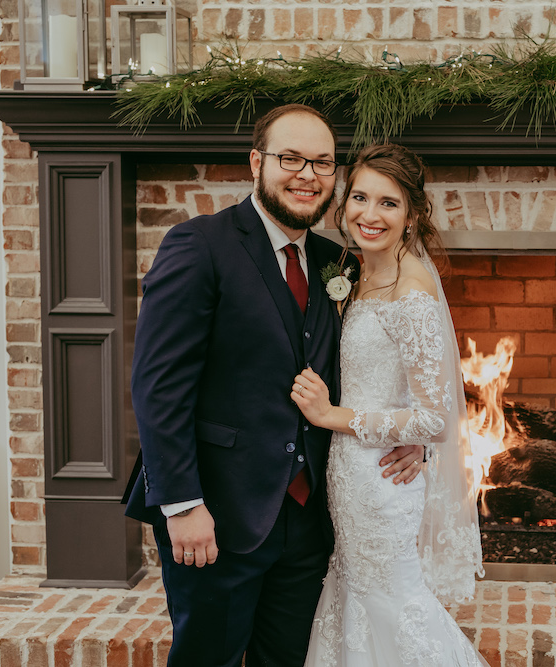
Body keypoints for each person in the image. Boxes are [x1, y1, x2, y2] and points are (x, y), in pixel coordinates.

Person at [123, 104, 424, 667]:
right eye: (291, 159)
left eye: (322, 163)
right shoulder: (198, 246)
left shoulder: (339, 262)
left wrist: (411, 431)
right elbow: (157, 386)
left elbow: (375, 363)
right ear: (257, 162)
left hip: (311, 522)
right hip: (217, 515)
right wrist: (183, 504)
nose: (308, 175)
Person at [291, 144, 487, 666]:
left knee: (392, 603)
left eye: (388, 203)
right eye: (359, 197)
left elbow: (434, 417)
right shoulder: (355, 273)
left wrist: (333, 415)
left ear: (413, 214)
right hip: (352, 475)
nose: (369, 215)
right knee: (357, 597)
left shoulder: (412, 289)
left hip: (381, 483)